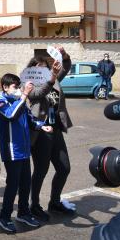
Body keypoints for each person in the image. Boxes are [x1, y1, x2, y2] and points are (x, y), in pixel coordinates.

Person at [0, 74, 53, 234]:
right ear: (5, 87)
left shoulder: (20, 101)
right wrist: (25, 94)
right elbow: (11, 115)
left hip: (24, 150)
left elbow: (30, 119)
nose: (19, 89)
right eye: (15, 86)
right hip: (12, 151)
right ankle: (4, 217)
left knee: (25, 184)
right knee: (12, 186)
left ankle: (23, 213)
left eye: (19, 86)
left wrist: (42, 126)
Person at [27, 49, 75, 221]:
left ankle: (54, 202)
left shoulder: (54, 80)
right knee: (41, 169)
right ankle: (34, 205)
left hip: (55, 130)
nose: (43, 71)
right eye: (38, 68)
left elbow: (67, 67)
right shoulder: (29, 83)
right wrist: (52, 77)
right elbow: (38, 94)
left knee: (64, 168)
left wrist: (64, 55)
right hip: (40, 131)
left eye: (45, 68)